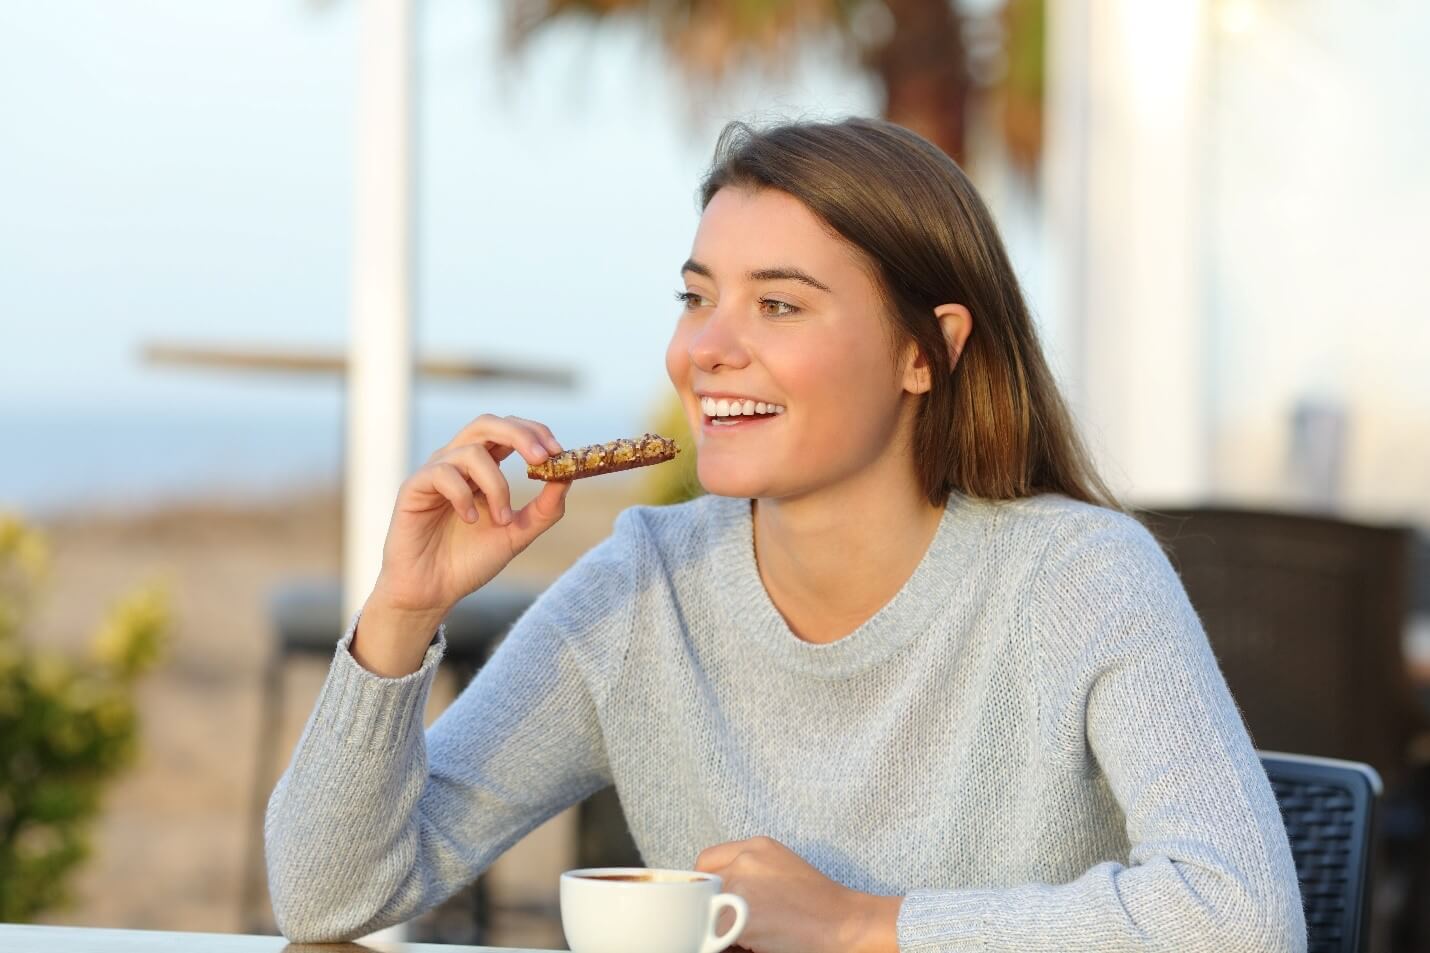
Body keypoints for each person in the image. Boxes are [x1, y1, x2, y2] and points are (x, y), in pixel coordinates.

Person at [265, 117, 1306, 953]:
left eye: (777, 304)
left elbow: (1239, 916)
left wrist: (859, 924)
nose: (706, 349)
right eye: (696, 296)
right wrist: (401, 616)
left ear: (926, 351)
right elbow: (330, 892)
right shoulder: (645, 590)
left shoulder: (1079, 576)